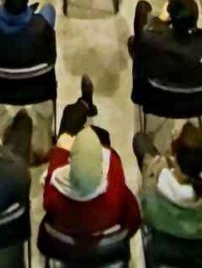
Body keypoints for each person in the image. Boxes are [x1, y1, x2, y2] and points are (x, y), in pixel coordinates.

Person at [43, 79, 141, 250]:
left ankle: (84, 104)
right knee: (101, 134)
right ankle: (86, 104)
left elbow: (48, 209)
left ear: (71, 161)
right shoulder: (114, 184)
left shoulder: (55, 186)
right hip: (107, 252)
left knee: (69, 117)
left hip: (66, 251)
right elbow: (133, 217)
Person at [135, 122, 202, 243]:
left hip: (170, 247)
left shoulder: (158, 185)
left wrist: (160, 162)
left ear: (174, 158)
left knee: (140, 140)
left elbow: (147, 213)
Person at [131, 0, 202, 92]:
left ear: (170, 16)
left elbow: (147, 38)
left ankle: (132, 45)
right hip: (194, 101)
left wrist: (159, 21)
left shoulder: (152, 40)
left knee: (142, 7)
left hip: (158, 98)